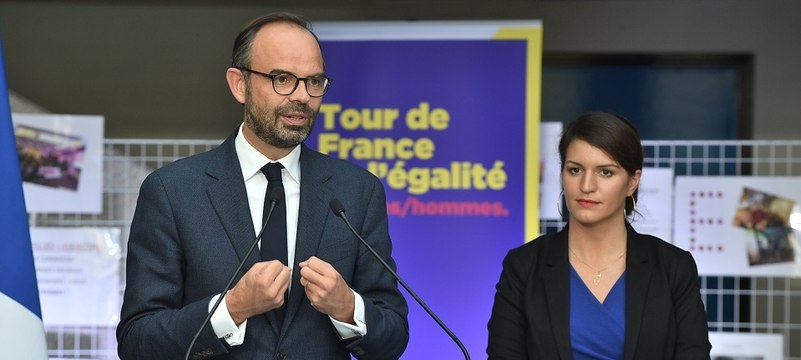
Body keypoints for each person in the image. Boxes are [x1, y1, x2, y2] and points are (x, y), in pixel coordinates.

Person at [116, 12, 409, 360]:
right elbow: (137, 342)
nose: (302, 96)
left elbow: (392, 337)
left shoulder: (357, 192)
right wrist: (231, 308)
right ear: (239, 84)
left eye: (314, 81)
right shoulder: (172, 192)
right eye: (282, 78)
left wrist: (349, 309)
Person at [487, 112, 711, 359]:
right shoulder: (524, 266)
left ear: (632, 182)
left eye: (605, 172)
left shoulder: (672, 267)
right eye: (575, 170)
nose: (586, 185)